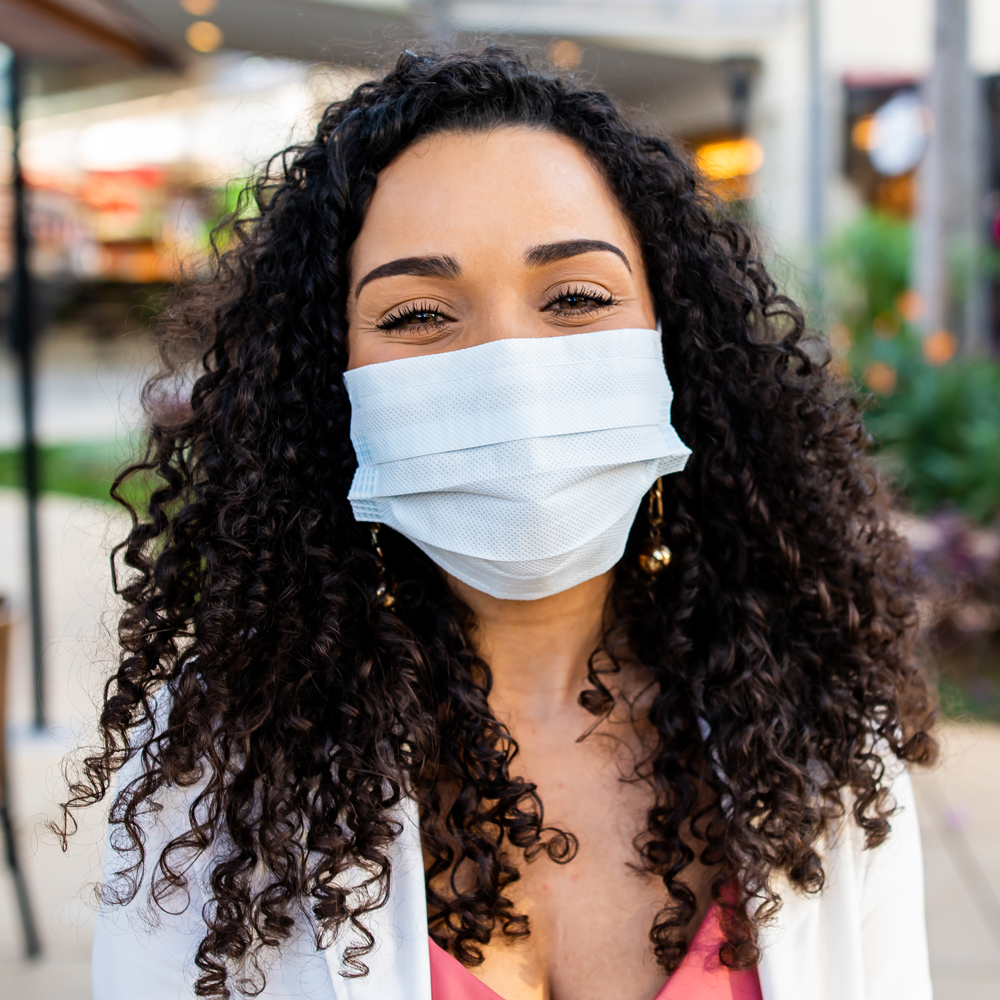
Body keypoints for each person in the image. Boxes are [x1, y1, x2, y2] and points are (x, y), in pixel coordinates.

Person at [67, 47, 937, 1000]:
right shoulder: (218, 769)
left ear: (675, 346)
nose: (512, 368)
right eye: (418, 315)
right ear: (329, 389)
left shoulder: (828, 743)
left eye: (574, 297)